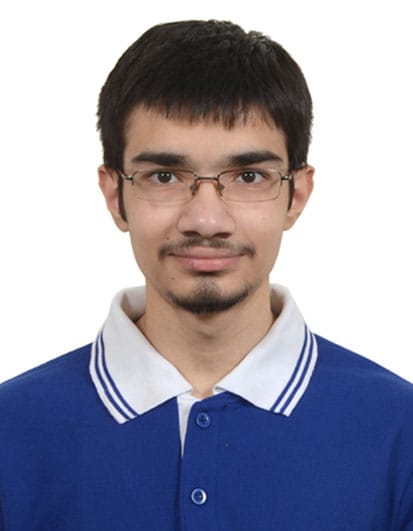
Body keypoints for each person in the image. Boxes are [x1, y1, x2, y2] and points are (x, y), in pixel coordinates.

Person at [0, 19, 412, 531]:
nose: (207, 220)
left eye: (249, 176)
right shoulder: (10, 431)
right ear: (114, 195)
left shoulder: (400, 432)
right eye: (165, 176)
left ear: (297, 195)